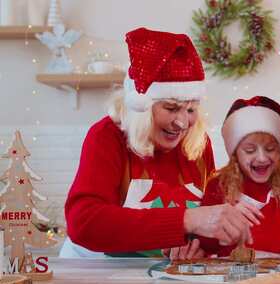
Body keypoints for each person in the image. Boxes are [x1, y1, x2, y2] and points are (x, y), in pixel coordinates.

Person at [61, 28, 252, 258]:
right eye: (170, 108)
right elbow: (84, 222)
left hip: (159, 278)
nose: (182, 123)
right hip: (97, 274)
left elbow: (205, 224)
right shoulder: (107, 136)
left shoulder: (197, 142)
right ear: (141, 106)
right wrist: (185, 220)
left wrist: (198, 244)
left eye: (191, 110)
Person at [198, 96, 280, 257]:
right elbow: (205, 243)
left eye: (270, 149)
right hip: (234, 275)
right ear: (235, 154)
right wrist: (222, 225)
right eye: (250, 150)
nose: (262, 158)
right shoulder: (218, 186)